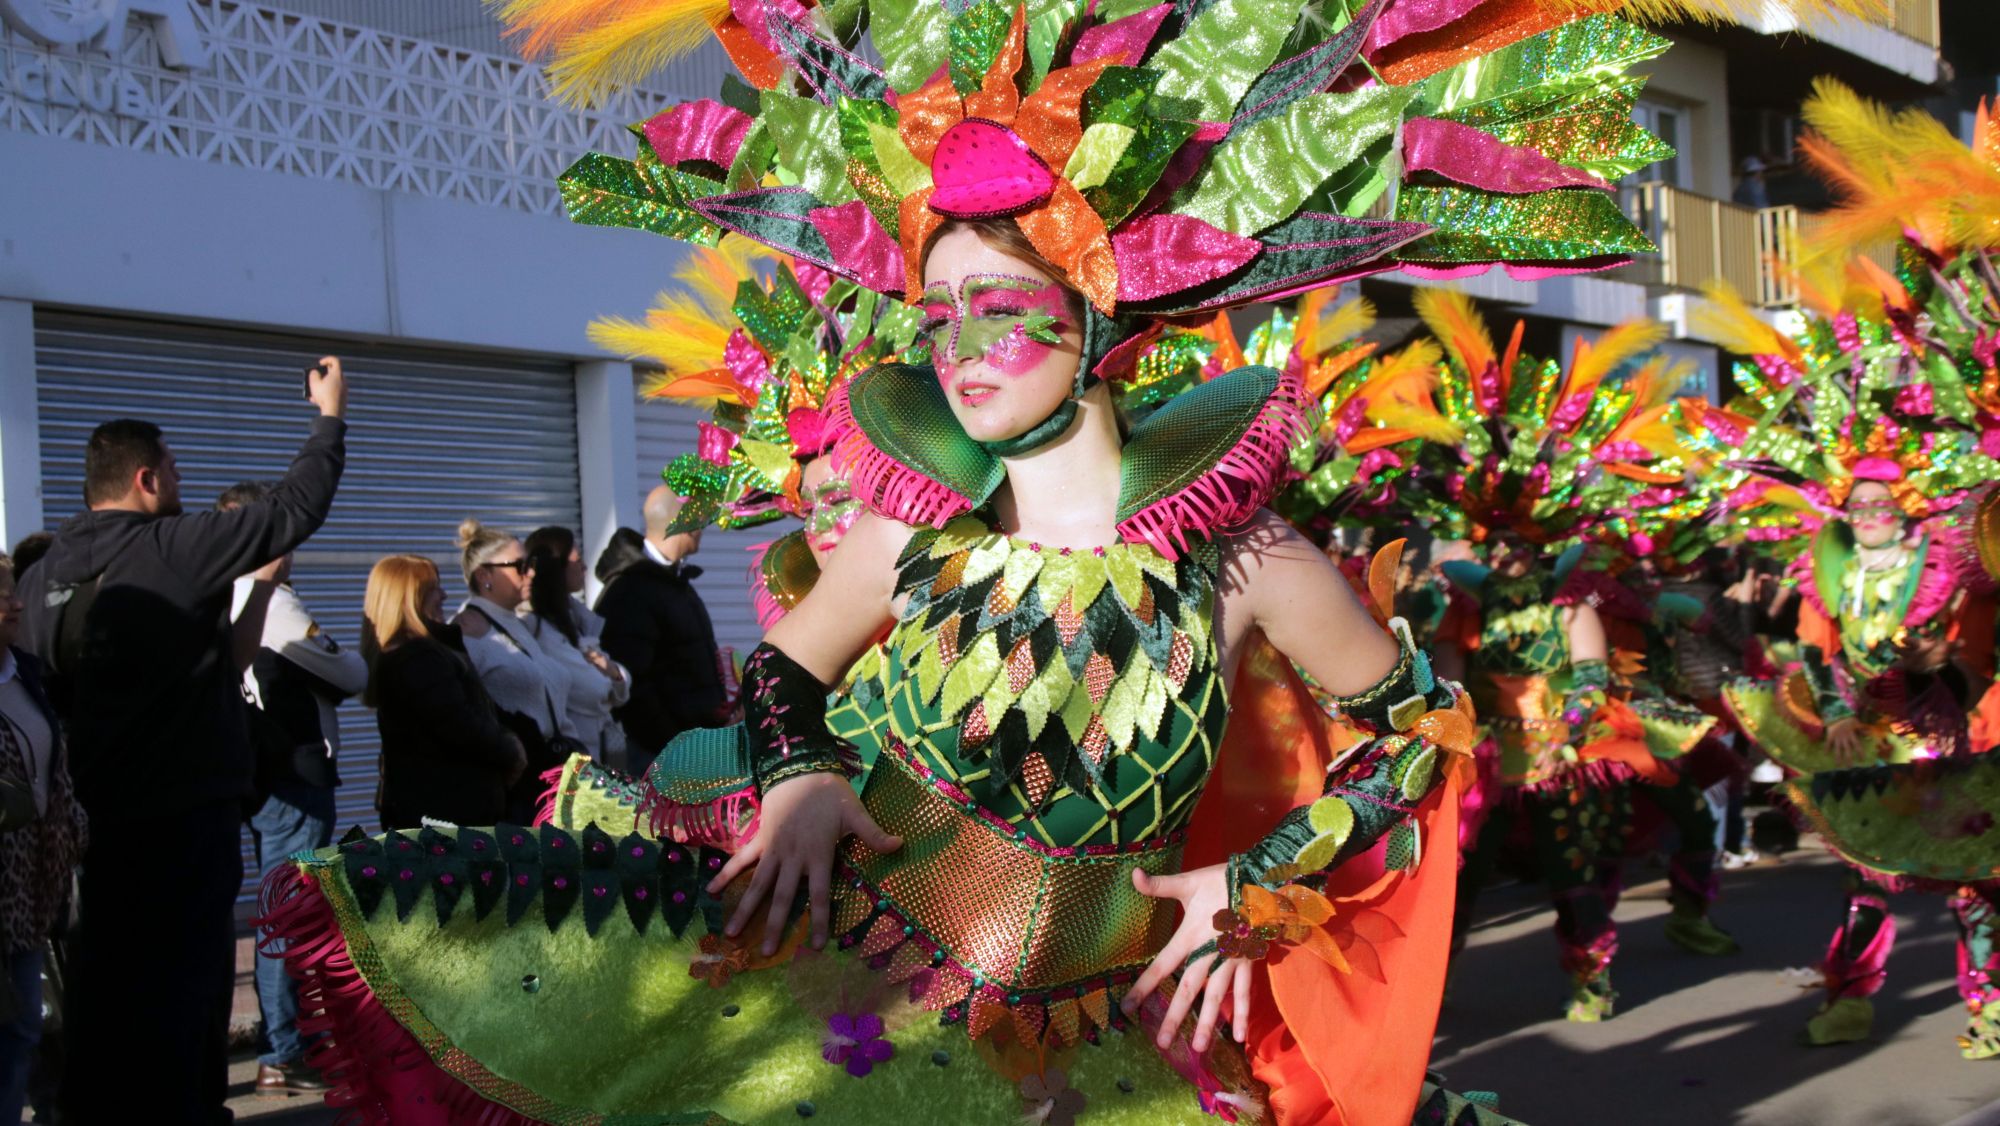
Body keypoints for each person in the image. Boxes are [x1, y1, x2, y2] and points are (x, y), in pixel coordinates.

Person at [251, 0, 1706, 1118]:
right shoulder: (912, 525)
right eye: (936, 315)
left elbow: (1426, 729)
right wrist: (805, 773)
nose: (960, 354)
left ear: (1096, 311)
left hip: (1089, 1044)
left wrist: (1255, 884)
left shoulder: (1243, 554)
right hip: (850, 999)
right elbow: (782, 668)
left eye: (1000, 309)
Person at [19, 356, 347, 1123]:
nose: (179, 479)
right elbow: (297, 505)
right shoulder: (167, 548)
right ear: (145, 480)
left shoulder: (46, 577)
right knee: (186, 983)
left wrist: (261, 587)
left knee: (110, 982)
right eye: (172, 466)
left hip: (96, 823)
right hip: (181, 818)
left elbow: (207, 665)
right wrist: (328, 414)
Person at [217, 480, 368, 1096]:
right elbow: (350, 669)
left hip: (255, 777)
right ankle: (286, 1049)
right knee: (290, 918)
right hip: (291, 780)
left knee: (277, 914)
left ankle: (288, 1044)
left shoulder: (212, 595)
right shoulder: (272, 606)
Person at [0, 554, 86, 1126]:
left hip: (31, 894)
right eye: (1, 594)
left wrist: (74, 825)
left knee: (24, 1030)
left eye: (12, 589)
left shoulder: (23, 672)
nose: (17, 602)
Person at [364, 555, 526, 829]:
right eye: (434, 587)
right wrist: (510, 750)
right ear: (410, 597)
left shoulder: (413, 653)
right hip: (447, 816)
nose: (444, 594)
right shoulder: (417, 658)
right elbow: (459, 725)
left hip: (442, 809)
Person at [593, 486, 729, 774]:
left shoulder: (672, 581)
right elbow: (633, 685)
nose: (704, 525)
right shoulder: (631, 589)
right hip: (664, 757)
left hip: (697, 747)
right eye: (699, 516)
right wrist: (674, 746)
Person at [455, 519, 579, 820]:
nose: (531, 572)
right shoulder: (469, 629)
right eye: (519, 565)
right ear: (485, 575)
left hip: (554, 772)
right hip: (518, 784)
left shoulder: (515, 622)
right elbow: (466, 712)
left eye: (531, 563)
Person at [520, 525, 629, 765]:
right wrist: (610, 675)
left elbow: (619, 684)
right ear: (556, 567)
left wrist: (612, 673)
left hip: (596, 752)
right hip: (571, 758)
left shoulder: (577, 616)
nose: (584, 567)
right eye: (577, 560)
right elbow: (595, 688)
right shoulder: (535, 626)